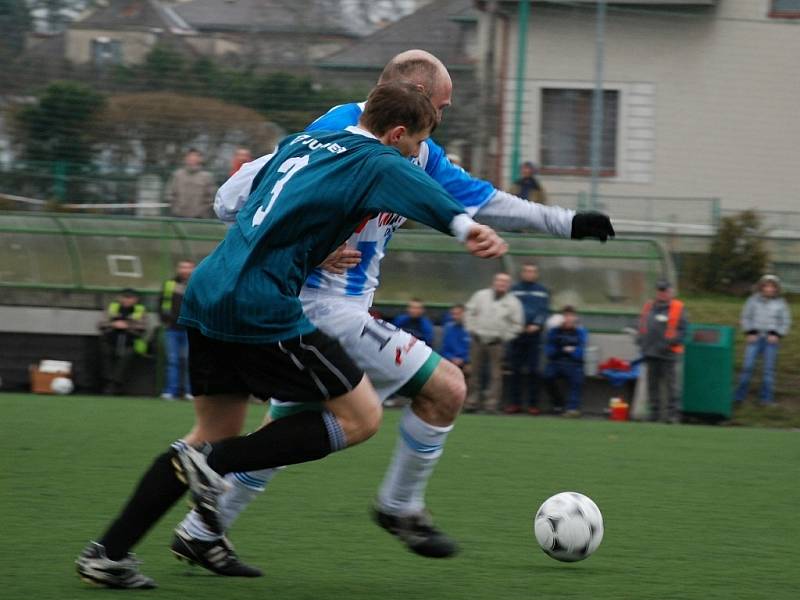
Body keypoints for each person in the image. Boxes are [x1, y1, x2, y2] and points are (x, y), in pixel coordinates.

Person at [173, 49, 614, 573]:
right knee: (447, 387)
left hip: (331, 310)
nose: (444, 120)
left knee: (289, 432)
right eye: (442, 107)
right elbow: (230, 197)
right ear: (415, 101)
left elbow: (481, 201)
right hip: (317, 308)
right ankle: (398, 506)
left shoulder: (419, 152)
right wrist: (302, 239)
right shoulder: (338, 127)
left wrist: (567, 222)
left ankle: (200, 530)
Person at [76, 81, 508, 589]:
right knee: (361, 417)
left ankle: (108, 554)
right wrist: (466, 228)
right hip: (260, 305)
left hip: (209, 290)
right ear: (395, 133)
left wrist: (310, 248)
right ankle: (212, 466)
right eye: (417, 144)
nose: (419, 155)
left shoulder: (301, 143)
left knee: (211, 431)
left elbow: (253, 204)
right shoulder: (378, 158)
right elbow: (420, 192)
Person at [464, 273, 524, 413]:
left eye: (505, 282)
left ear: (509, 285)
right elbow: (469, 312)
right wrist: (471, 329)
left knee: (496, 375)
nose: (501, 284)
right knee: (474, 372)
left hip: (497, 343)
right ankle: (472, 402)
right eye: (499, 281)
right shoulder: (480, 295)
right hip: (477, 340)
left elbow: (517, 325)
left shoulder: (514, 302)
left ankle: (491, 405)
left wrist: (505, 337)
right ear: (494, 282)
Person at [734, 274, 791, 406]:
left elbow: (785, 321)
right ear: (761, 287)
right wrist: (749, 332)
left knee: (768, 370)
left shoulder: (781, 303)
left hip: (771, 341)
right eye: (766, 286)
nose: (769, 289)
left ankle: (766, 399)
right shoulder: (752, 301)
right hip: (755, 338)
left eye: (772, 287)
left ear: (776, 288)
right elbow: (745, 317)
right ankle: (739, 397)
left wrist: (777, 334)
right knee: (747, 367)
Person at [637, 280, 688, 423]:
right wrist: (641, 340)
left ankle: (673, 415)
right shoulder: (648, 306)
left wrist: (668, 344)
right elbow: (641, 325)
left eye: (665, 290)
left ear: (671, 292)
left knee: (672, 385)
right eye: (660, 290)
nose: (662, 293)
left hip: (669, 353)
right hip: (650, 352)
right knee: (652, 386)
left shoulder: (678, 307)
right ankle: (654, 414)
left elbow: (683, 331)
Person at [506, 263, 550, 415]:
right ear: (522, 273)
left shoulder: (542, 291)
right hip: (516, 334)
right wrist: (518, 325)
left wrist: (536, 324)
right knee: (515, 370)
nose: (529, 274)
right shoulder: (514, 289)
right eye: (526, 271)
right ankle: (514, 404)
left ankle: (533, 405)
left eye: (532, 271)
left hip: (534, 336)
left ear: (536, 274)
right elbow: (509, 310)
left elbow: (544, 310)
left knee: (534, 370)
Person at [98, 289, 147, 395]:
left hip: (131, 341)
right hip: (111, 340)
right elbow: (101, 324)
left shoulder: (139, 310)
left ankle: (116, 383)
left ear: (136, 299)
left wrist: (128, 326)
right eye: (125, 297)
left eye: (130, 298)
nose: (127, 300)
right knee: (105, 354)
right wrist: (113, 325)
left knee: (126, 357)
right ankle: (109, 382)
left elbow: (143, 327)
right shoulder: (112, 308)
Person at [159, 260, 195, 401]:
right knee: (172, 360)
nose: (185, 270)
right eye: (183, 267)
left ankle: (190, 391)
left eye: (189, 268)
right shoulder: (169, 284)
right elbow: (161, 304)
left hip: (191, 329)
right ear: (178, 269)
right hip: (172, 329)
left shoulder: (197, 284)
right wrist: (166, 320)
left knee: (189, 360)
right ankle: (170, 391)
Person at [543, 306, 587, 417]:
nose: (568, 319)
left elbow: (581, 352)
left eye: (571, 316)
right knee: (547, 376)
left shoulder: (580, 331)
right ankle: (558, 404)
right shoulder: (554, 331)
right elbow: (549, 351)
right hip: (556, 362)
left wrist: (572, 351)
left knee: (577, 378)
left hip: (574, 363)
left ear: (575, 318)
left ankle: (572, 408)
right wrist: (560, 349)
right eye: (566, 316)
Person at [165, 149, 217, 218]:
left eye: (195, 157)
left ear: (200, 159)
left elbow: (211, 197)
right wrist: (174, 207)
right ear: (185, 159)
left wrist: (203, 211)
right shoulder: (177, 175)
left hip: (199, 218)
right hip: (178, 216)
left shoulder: (207, 177)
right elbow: (169, 194)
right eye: (190, 157)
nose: (192, 160)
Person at [439, 304, 470, 373]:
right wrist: (452, 358)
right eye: (453, 314)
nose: (455, 317)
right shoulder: (448, 328)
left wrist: (464, 360)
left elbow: (473, 351)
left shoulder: (471, 330)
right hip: (450, 361)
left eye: (458, 314)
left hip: (466, 362)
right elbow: (444, 350)